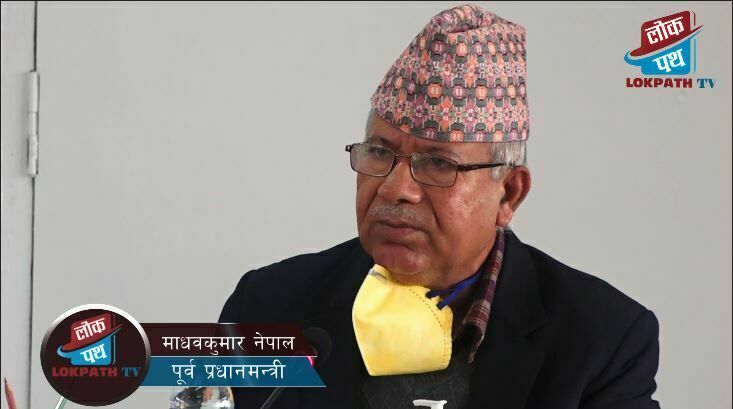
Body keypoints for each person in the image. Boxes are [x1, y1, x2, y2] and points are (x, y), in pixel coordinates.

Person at [219, 4, 660, 408]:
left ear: (508, 194)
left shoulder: (603, 340)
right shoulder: (269, 307)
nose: (395, 189)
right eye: (379, 153)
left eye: (438, 163)